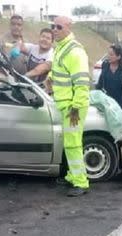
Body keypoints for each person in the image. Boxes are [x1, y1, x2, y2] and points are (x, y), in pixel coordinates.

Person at [49, 16, 92, 197]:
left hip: (73, 108)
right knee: (69, 143)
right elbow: (60, 70)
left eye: (59, 27)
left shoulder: (74, 51)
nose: (54, 30)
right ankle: (72, 175)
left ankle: (81, 182)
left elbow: (82, 83)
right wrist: (50, 77)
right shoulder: (62, 48)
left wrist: (75, 108)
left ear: (68, 28)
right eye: (53, 26)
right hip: (66, 106)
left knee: (73, 144)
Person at [96, 44, 122, 115]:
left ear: (118, 56)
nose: (109, 56)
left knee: (120, 122)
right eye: (108, 54)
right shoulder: (105, 65)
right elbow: (100, 83)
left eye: (111, 55)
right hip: (107, 100)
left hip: (120, 100)